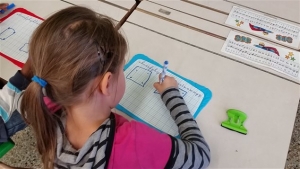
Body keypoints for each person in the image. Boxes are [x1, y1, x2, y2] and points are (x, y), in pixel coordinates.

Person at [0, 6, 210, 169]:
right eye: (122, 70)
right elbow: (200, 155)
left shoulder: (42, 103)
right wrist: (172, 95)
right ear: (107, 83)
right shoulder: (132, 141)